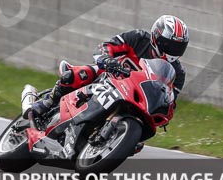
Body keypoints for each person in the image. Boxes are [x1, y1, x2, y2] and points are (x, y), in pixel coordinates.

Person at [29, 15, 189, 120]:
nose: (172, 51)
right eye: (169, 45)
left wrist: (165, 110)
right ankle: (49, 101)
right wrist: (107, 60)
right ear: (156, 37)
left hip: (137, 100)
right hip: (110, 79)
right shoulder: (139, 38)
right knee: (79, 74)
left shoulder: (178, 74)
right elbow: (106, 46)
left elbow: (170, 101)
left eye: (178, 47)